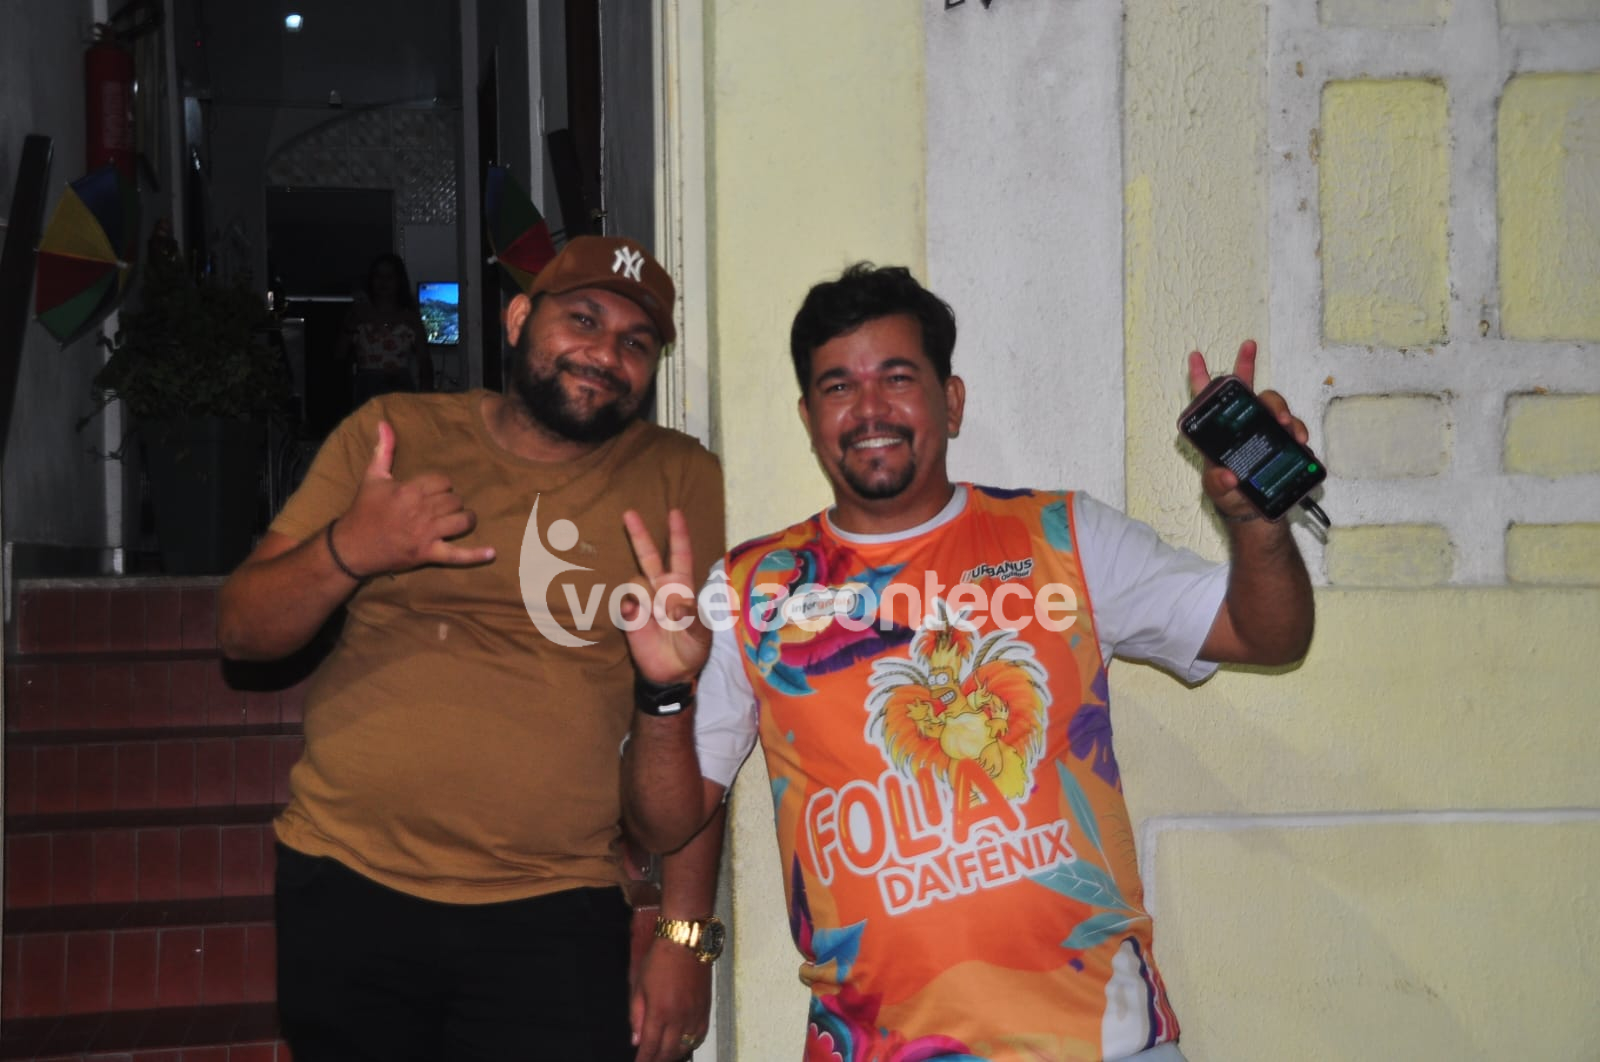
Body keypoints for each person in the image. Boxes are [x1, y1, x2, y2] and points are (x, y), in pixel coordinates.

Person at [619, 263, 1315, 1061]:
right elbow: (662, 822)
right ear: (809, 417)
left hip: (1104, 1042)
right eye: (839, 386)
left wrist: (1258, 522)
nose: (869, 409)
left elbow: (1264, 636)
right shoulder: (750, 590)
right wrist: (662, 691)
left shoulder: (1065, 537)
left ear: (950, 401)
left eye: (897, 377)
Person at [218, 235, 727, 1062]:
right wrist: (349, 549)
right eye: (583, 320)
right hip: (348, 880)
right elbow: (241, 632)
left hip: (554, 904)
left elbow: (710, 724)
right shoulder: (395, 433)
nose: (607, 354)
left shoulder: (679, 476)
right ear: (519, 319)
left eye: (636, 342)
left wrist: (686, 934)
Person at [341, 251, 433, 404]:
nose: (383, 282)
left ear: (398, 281)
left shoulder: (409, 317)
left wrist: (426, 399)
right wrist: (351, 324)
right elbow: (340, 353)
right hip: (368, 389)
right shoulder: (358, 312)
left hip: (399, 388)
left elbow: (425, 361)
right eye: (378, 276)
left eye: (389, 277)